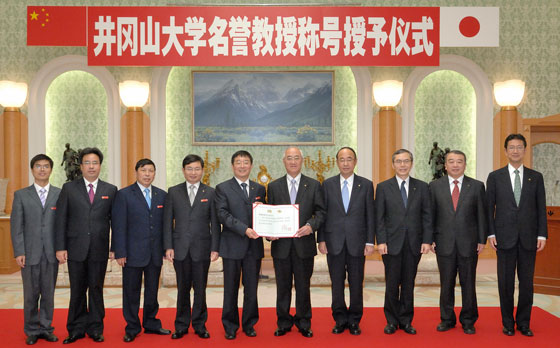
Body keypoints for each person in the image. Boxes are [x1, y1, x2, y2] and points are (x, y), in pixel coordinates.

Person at [486, 134, 547, 337]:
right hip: (503, 238)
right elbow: (489, 208)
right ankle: (507, 323)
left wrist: (542, 235)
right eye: (511, 147)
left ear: (524, 150)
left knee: (527, 283)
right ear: (505, 151)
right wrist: (491, 233)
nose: (515, 151)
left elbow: (540, 208)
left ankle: (523, 323)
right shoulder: (495, 177)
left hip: (530, 239)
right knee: (505, 283)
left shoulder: (535, 177)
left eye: (519, 147)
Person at [55, 147, 117, 344]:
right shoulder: (69, 188)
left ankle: (96, 328)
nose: (91, 166)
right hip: (75, 248)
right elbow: (61, 219)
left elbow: (115, 221)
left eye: (95, 163)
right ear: (81, 166)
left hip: (99, 249)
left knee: (96, 289)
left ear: (100, 165)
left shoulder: (110, 190)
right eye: (87, 163)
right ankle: (75, 328)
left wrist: (114, 247)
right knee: (77, 290)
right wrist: (60, 247)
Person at [268, 147, 326, 338]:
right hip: (281, 247)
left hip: (304, 246)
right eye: (289, 158)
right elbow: (270, 214)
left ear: (302, 161)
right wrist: (269, 232)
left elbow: (321, 212)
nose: (293, 161)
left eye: (296, 158)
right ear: (283, 161)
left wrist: (311, 226)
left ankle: (304, 322)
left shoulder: (314, 185)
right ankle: (283, 322)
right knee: (282, 287)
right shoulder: (274, 186)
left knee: (303, 287)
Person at [111, 159, 171, 342]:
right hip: (131, 253)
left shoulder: (162, 195)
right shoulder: (124, 195)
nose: (147, 174)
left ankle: (151, 323)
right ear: (136, 172)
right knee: (131, 292)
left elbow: (165, 225)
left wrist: (166, 247)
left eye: (151, 171)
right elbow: (118, 225)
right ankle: (132, 327)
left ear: (155, 173)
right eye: (143, 170)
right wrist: (119, 252)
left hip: (154, 253)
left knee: (152, 291)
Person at [318, 147, 374, 336]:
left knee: (357, 283)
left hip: (357, 242)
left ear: (355, 162)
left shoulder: (366, 185)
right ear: (337, 162)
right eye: (342, 159)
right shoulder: (327, 184)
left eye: (349, 159)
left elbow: (370, 216)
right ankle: (340, 319)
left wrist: (369, 241)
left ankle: (355, 320)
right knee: (337, 283)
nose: (345, 163)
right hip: (334, 241)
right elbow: (322, 214)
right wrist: (322, 239)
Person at [429, 150, 487, 335]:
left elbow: (482, 215)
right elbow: (430, 215)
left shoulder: (477, 186)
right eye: (451, 162)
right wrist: (430, 238)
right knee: (446, 284)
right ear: (445, 165)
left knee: (468, 283)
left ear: (465, 164)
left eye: (459, 161)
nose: (455, 165)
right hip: (443, 242)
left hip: (469, 243)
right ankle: (447, 319)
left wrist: (481, 239)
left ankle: (468, 320)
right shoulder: (434, 186)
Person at [375, 149, 433, 335]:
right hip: (390, 244)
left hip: (414, 243)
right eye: (399, 161)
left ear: (411, 163)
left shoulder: (422, 187)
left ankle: (406, 321)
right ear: (393, 164)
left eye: (406, 161)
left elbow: (427, 216)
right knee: (392, 284)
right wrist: (381, 240)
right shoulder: (383, 187)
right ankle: (391, 321)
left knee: (409, 283)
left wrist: (426, 240)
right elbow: (380, 218)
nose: (402, 165)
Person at [163, 154, 220, 340]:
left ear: (202, 171)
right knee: (183, 289)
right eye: (189, 168)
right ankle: (180, 325)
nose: (193, 172)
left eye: (196, 169)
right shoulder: (173, 192)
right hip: (180, 248)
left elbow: (215, 223)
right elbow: (167, 222)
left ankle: (199, 325)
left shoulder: (210, 193)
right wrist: (168, 246)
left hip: (202, 249)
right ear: (183, 170)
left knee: (201, 289)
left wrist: (215, 247)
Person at [214, 150, 266, 340]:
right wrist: (244, 229)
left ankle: (249, 324)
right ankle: (230, 325)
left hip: (254, 248)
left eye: (246, 162)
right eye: (238, 162)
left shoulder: (259, 189)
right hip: (231, 245)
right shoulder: (222, 188)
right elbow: (222, 215)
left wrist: (270, 230)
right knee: (231, 288)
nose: (242, 166)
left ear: (251, 166)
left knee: (251, 289)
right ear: (232, 165)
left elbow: (265, 214)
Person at [10, 154, 60, 345]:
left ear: (51, 170)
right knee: (30, 295)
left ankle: (46, 328)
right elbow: (17, 226)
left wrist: (61, 249)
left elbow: (62, 225)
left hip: (51, 253)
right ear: (32, 170)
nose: (42, 169)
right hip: (29, 253)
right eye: (38, 166)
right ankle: (31, 329)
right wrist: (19, 251)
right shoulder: (21, 195)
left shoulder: (59, 193)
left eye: (46, 166)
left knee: (48, 293)